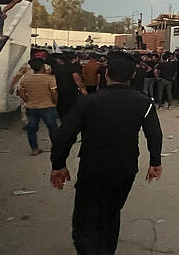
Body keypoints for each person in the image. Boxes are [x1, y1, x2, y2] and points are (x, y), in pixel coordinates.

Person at [50, 51, 163, 254]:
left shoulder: (88, 102)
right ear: (132, 77)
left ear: (107, 75)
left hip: (92, 168)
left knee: (86, 214)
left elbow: (64, 135)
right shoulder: (143, 102)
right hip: (125, 168)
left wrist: (58, 164)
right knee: (111, 212)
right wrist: (155, 162)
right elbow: (154, 133)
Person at [17, 58, 58, 156]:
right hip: (48, 106)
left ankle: (34, 149)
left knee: (31, 129)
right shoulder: (50, 78)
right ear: (43, 67)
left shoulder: (26, 78)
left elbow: (21, 92)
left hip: (31, 107)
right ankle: (56, 148)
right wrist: (55, 102)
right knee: (52, 128)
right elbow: (54, 92)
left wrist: (28, 100)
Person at [52, 53, 86, 121]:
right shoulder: (72, 67)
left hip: (60, 90)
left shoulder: (57, 68)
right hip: (71, 90)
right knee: (71, 107)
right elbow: (77, 79)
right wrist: (82, 88)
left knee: (62, 105)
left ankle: (62, 119)